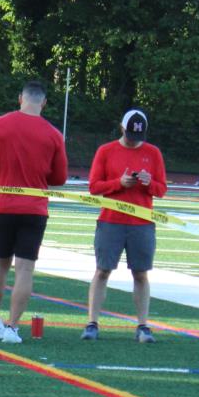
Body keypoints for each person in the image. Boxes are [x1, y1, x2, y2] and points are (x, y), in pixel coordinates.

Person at [0, 80, 68, 344]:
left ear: (20, 98)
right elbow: (59, 177)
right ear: (44, 103)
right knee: (25, 269)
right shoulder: (54, 134)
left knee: (0, 264)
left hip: (3, 205)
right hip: (34, 208)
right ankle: (12, 327)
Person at [81, 108, 167, 344]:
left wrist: (149, 183)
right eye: (130, 135)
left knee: (141, 273)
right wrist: (119, 183)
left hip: (142, 223)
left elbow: (161, 189)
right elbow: (94, 186)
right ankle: (92, 323)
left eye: (137, 136)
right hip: (111, 221)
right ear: (122, 128)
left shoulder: (153, 152)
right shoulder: (106, 151)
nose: (133, 140)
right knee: (102, 270)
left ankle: (143, 325)